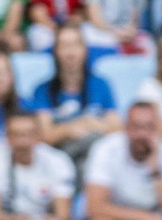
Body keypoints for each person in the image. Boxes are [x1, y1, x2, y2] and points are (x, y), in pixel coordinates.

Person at [84, 101, 162, 220]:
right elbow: (94, 207)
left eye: (148, 127)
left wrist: (156, 171)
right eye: (136, 127)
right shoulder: (106, 148)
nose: (142, 134)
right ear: (126, 127)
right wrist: (144, 218)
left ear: (159, 129)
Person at [31, 25, 122, 166]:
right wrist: (72, 127)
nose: (71, 52)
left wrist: (91, 123)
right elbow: (45, 135)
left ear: (85, 50)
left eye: (75, 45)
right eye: (65, 46)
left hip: (94, 156)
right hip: (60, 157)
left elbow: (116, 129)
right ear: (55, 52)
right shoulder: (43, 90)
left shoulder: (101, 85)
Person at [0, 110, 76, 220]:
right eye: (17, 134)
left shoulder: (58, 161)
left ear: (39, 135)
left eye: (28, 134)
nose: (23, 142)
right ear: (7, 137)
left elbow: (63, 216)